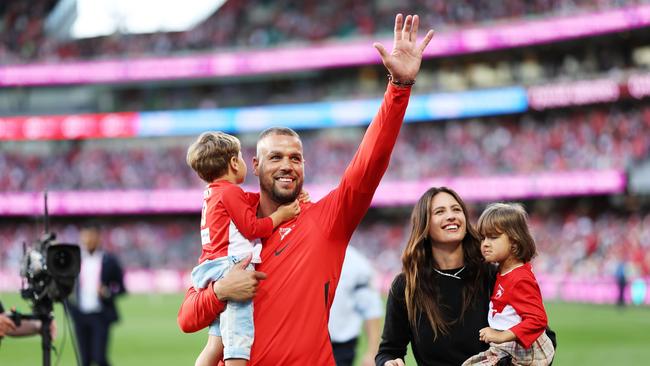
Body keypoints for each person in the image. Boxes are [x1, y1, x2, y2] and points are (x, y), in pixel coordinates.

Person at [177, 13, 435, 365]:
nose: (287, 165)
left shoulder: (327, 220)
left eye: (296, 158)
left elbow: (369, 164)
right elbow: (187, 318)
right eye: (276, 157)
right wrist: (221, 291)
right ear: (255, 165)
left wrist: (398, 88)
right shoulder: (233, 231)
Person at [375, 188, 556, 366]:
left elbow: (543, 335)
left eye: (457, 209)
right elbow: (389, 351)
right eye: (440, 211)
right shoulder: (406, 285)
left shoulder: (493, 275)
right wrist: (389, 362)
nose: (451, 216)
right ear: (424, 225)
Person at [185, 131, 301, 366]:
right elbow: (252, 228)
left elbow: (248, 202)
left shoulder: (213, 192)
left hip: (210, 266)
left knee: (216, 343)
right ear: (234, 163)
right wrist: (281, 214)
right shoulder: (230, 192)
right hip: (231, 267)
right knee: (238, 341)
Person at [462, 203, 554, 365]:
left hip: (522, 349)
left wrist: (501, 336)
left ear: (515, 241)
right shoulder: (502, 272)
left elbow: (538, 320)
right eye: (483, 237)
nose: (484, 244)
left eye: (493, 237)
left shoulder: (520, 277)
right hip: (506, 347)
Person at [68, 223, 126, 366]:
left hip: (100, 315)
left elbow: (121, 288)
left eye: (91, 236)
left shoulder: (109, 260)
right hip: (80, 315)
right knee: (84, 360)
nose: (88, 239)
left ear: (99, 238)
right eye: (85, 236)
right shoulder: (74, 259)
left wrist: (107, 292)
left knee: (99, 357)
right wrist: (71, 309)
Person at [329, 246, 384, 366]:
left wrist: (372, 352)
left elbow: (371, 310)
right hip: (303, 344)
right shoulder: (302, 256)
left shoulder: (356, 264)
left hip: (339, 347)